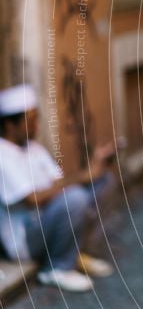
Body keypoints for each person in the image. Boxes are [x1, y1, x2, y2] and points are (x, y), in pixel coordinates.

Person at [0, 84, 116, 292]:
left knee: (103, 182)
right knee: (75, 197)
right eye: (30, 120)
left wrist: (95, 166)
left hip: (49, 219)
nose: (36, 126)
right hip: (25, 238)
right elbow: (33, 198)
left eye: (36, 119)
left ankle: (75, 253)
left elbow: (58, 181)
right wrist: (82, 176)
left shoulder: (34, 148)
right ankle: (56, 268)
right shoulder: (2, 154)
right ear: (10, 125)